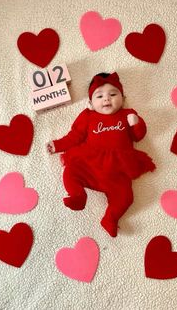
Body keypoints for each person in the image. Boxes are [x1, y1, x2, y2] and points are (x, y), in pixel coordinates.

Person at [47, 72, 156, 237]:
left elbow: (138, 136)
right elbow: (75, 136)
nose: (107, 99)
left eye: (113, 94)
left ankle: (110, 218)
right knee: (70, 171)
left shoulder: (128, 114)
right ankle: (78, 195)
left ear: (123, 99)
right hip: (90, 163)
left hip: (117, 169)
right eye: (100, 96)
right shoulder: (88, 116)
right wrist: (57, 145)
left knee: (126, 196)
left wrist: (137, 124)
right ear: (90, 103)